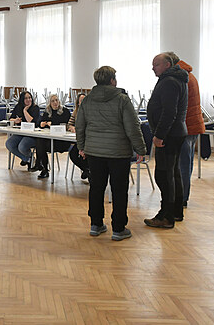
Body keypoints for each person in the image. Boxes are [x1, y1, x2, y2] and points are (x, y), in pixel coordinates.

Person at [76, 66, 146, 241]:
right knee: (119, 190)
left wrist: (81, 146)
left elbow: (80, 125)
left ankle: (96, 224)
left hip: (94, 152)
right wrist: (141, 149)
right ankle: (118, 228)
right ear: (112, 80)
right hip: (118, 152)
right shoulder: (122, 99)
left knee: (96, 188)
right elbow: (133, 127)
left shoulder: (87, 100)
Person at [144, 53, 188, 229]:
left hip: (169, 135)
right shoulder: (177, 78)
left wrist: (159, 135)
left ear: (167, 65)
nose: (152, 68)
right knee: (173, 173)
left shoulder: (169, 81)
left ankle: (166, 216)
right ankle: (176, 211)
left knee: (164, 175)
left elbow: (169, 112)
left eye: (156, 64)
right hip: (176, 132)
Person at [165, 52, 205, 209]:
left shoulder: (180, 78)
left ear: (169, 64)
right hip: (191, 126)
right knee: (186, 165)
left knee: (181, 166)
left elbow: (174, 107)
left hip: (185, 127)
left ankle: (180, 199)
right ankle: (182, 197)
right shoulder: (187, 74)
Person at [30, 94, 71, 179]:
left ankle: (41, 166)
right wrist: (41, 124)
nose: (55, 102)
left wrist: (52, 124)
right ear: (49, 103)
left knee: (41, 145)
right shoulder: (47, 111)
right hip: (50, 139)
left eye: (56, 100)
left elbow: (64, 125)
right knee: (40, 141)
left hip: (62, 141)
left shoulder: (65, 111)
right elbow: (40, 122)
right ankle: (43, 167)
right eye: (53, 101)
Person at [5, 91, 41, 169]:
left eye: (30, 98)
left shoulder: (35, 108)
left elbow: (32, 122)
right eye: (26, 98)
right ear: (22, 100)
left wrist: (25, 111)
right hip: (21, 133)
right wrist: (15, 120)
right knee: (9, 144)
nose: (28, 100)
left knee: (22, 147)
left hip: (32, 134)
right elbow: (11, 119)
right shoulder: (18, 107)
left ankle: (28, 159)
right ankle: (28, 159)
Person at [67, 93, 91, 181]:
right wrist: (72, 127)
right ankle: (86, 170)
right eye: (81, 100)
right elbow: (69, 124)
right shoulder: (76, 112)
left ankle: (88, 170)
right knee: (73, 154)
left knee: (87, 154)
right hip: (78, 140)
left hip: (88, 140)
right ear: (78, 103)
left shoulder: (91, 112)